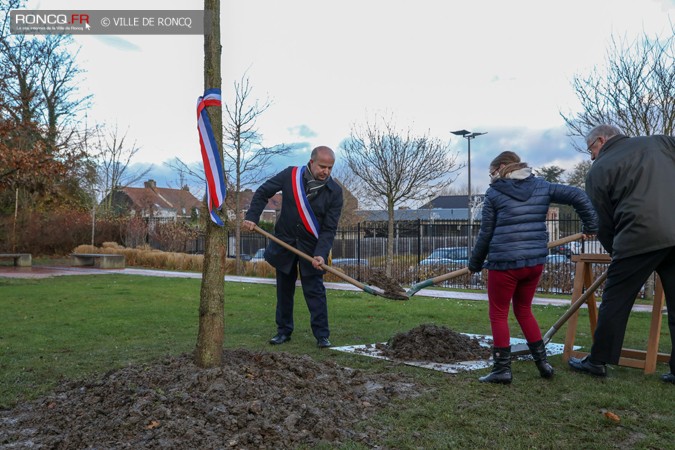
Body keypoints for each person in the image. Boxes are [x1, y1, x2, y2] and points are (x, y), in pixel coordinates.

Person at [469, 151, 598, 384]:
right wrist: (590, 224)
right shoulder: (542, 187)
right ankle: (543, 364)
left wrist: (475, 263)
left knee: (498, 313)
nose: (491, 178)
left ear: (502, 166)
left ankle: (502, 370)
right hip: (534, 262)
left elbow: (485, 233)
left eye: (492, 173)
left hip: (505, 264)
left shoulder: (495, 193)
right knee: (524, 310)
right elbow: (578, 195)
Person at [568, 124, 675, 384]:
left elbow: (601, 220)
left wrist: (615, 249)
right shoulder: (661, 142)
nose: (591, 156)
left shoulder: (599, 169)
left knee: (616, 300)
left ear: (601, 140)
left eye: (590, 149)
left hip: (639, 235)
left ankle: (597, 361)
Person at [242, 146, 343, 348]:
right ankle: (283, 331)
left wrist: (321, 255)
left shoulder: (335, 192)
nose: (326, 171)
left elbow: (329, 229)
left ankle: (322, 336)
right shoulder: (291, 175)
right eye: (322, 166)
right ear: (312, 162)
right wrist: (252, 217)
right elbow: (263, 192)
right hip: (284, 244)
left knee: (315, 292)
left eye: (330, 168)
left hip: (311, 250)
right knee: (284, 291)